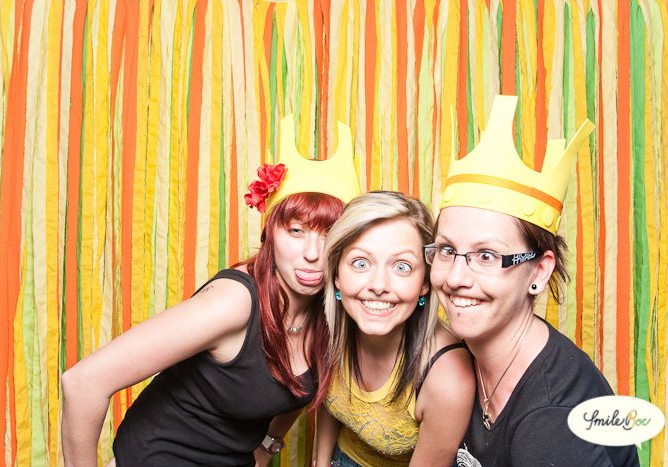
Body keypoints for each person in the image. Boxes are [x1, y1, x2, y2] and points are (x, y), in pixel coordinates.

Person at [61, 115, 361, 467]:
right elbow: (82, 383)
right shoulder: (233, 302)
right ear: (269, 234)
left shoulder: (333, 308)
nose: (312, 253)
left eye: (330, 234)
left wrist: (267, 446)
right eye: (296, 230)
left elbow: (296, 385)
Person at [427, 95, 639, 466]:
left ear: (539, 271)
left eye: (487, 256)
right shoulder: (466, 354)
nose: (456, 277)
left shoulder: (552, 424)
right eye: (447, 250)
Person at [315, 191, 475, 467]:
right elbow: (330, 404)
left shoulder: (447, 377)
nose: (379, 285)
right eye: (361, 263)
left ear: (425, 282)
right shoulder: (333, 326)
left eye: (402, 267)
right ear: (337, 274)